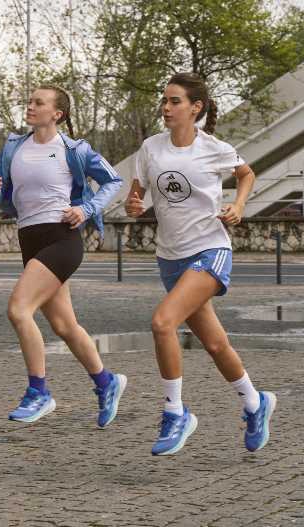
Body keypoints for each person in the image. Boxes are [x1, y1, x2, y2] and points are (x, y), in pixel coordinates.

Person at [125, 72, 276, 456]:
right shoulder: (150, 148)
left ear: (196, 108)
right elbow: (137, 189)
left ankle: (176, 412)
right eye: (164, 100)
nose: (166, 107)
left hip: (210, 248)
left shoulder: (214, 148)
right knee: (213, 342)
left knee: (162, 323)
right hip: (169, 256)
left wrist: (239, 206)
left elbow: (246, 174)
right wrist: (134, 203)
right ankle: (255, 403)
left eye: (174, 101)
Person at [0, 85, 127, 427]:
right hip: (29, 237)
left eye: (39, 102)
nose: (31, 106)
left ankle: (39, 392)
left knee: (19, 310)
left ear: (57, 114)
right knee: (64, 325)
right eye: (30, 101)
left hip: (61, 238)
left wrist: (86, 208)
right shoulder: (13, 147)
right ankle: (106, 382)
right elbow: (5, 202)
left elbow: (113, 180)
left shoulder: (73, 150)